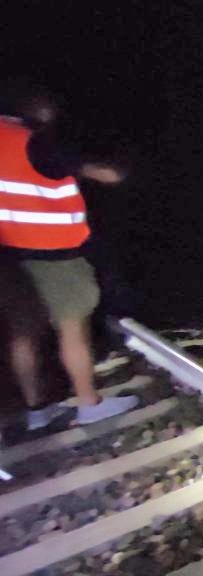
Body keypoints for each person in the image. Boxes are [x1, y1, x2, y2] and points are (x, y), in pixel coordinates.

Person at [0, 88, 138, 429]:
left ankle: (36, 411)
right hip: (53, 255)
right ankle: (88, 403)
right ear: (34, 110)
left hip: (9, 256)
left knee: (23, 334)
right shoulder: (33, 141)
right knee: (73, 329)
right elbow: (108, 175)